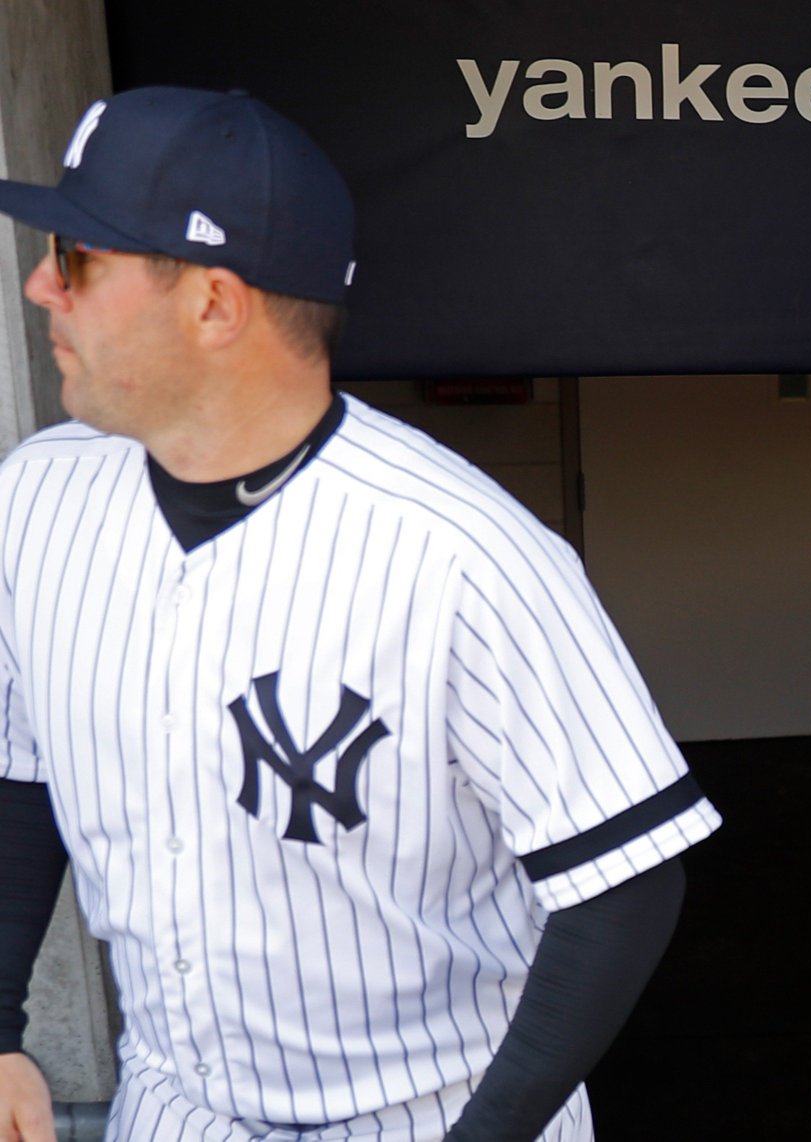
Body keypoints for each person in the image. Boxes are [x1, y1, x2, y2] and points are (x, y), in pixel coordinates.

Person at [0, 87, 719, 1141]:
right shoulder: (36, 498)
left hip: (434, 1106)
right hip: (178, 1104)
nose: (40, 285)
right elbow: (20, 765)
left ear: (212, 302)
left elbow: (625, 877)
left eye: (79, 260)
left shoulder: (465, 554)